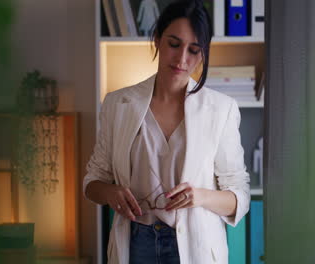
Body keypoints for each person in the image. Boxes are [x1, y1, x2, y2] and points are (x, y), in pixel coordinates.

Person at [83, 0, 250, 263]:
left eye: (194, 50)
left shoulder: (222, 109)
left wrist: (200, 196)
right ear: (158, 40)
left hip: (196, 246)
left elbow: (239, 197)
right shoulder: (118, 104)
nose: (182, 59)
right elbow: (92, 182)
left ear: (203, 53)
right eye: (174, 44)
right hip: (135, 243)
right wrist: (110, 193)